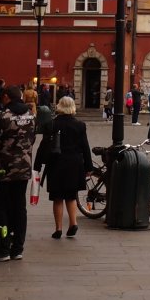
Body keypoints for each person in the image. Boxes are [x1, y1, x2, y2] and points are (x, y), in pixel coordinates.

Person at [0, 86, 38, 260]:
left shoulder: (3, 116)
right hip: (23, 167)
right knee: (19, 207)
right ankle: (18, 248)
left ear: (6, 97)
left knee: (1, 207)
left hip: (3, 168)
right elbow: (32, 139)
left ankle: (3, 248)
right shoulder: (31, 116)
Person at [36, 96, 94, 240]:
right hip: (74, 163)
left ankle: (58, 228)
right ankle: (73, 223)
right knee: (71, 196)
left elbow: (43, 146)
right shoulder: (80, 125)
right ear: (73, 107)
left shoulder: (51, 124)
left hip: (56, 163)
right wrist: (89, 166)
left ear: (59, 106)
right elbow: (85, 147)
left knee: (57, 197)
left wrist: (37, 165)